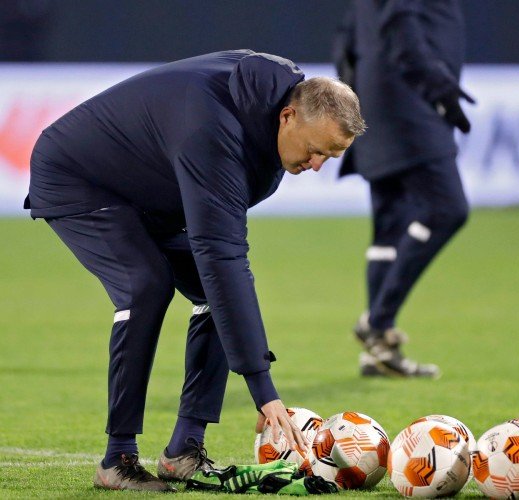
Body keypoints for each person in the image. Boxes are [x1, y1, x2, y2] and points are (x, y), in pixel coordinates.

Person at [25, 50, 365, 492]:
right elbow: (222, 256)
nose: (316, 166)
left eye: (330, 158)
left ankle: (184, 449)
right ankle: (118, 459)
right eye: (316, 150)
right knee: (145, 285)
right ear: (287, 117)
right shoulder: (213, 131)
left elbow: (220, 267)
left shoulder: (266, 120)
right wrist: (264, 390)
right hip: (77, 175)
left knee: (214, 291)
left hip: (147, 184)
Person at [333, 0, 474, 378]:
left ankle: (376, 354)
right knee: (448, 209)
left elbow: (346, 37)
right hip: (410, 105)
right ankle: (376, 322)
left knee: (388, 228)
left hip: (375, 103)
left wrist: (356, 98)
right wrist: (438, 87)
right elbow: (401, 20)